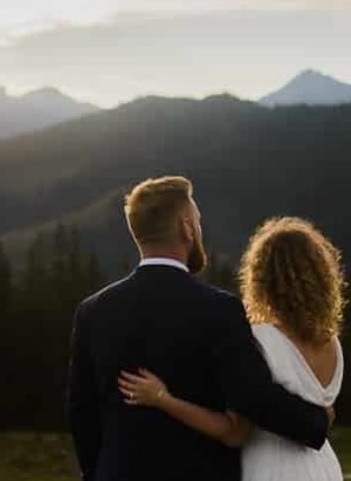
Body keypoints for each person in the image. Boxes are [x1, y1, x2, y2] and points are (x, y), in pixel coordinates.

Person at [66, 176, 334, 481]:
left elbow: (82, 413)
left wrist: (96, 474)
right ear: (186, 228)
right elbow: (254, 397)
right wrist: (316, 422)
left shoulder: (93, 311)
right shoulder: (220, 310)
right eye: (197, 219)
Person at [118, 216, 346, 481]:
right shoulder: (331, 343)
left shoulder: (258, 339)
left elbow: (233, 432)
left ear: (261, 277)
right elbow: (323, 414)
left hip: (272, 469)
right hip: (324, 468)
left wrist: (162, 398)